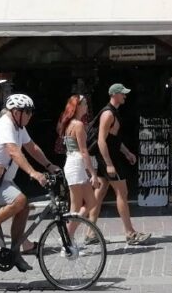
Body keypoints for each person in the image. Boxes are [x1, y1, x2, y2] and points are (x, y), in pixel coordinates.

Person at [0, 93, 57, 269]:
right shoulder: (5, 125)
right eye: (28, 112)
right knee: (19, 200)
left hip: (2, 180)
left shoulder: (18, 127)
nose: (30, 116)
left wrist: (49, 165)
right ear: (16, 112)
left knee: (24, 206)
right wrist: (33, 173)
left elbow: (31, 147)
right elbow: (14, 152)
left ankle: (16, 252)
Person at [94, 83, 149, 245]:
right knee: (122, 193)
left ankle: (90, 232)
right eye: (122, 94)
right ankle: (130, 233)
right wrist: (109, 163)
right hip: (109, 159)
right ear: (115, 95)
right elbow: (101, 140)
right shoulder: (108, 114)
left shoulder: (114, 112)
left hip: (111, 156)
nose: (125, 96)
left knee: (98, 196)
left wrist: (127, 153)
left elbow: (114, 139)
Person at [57, 95, 102, 240]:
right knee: (76, 206)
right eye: (84, 104)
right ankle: (67, 238)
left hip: (72, 163)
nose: (87, 107)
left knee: (90, 202)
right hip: (76, 165)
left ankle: (69, 235)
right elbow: (83, 151)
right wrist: (93, 174)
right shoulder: (78, 125)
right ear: (78, 106)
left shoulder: (68, 123)